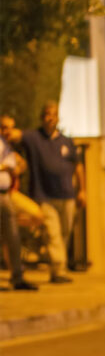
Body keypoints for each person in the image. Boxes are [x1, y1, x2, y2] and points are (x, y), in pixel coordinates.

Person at [21, 102, 80, 279]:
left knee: (64, 233)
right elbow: (15, 136)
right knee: (53, 233)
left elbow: (78, 166)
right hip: (44, 195)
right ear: (42, 117)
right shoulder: (33, 138)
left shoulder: (66, 141)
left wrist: (82, 190)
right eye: (47, 114)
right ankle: (59, 269)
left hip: (67, 195)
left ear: (58, 117)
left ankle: (56, 268)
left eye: (53, 114)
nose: (50, 118)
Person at [0, 116, 34, 290]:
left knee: (12, 236)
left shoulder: (7, 147)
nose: (8, 131)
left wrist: (18, 167)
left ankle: (17, 277)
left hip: (6, 195)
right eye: (5, 127)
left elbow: (17, 165)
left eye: (11, 128)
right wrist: (5, 167)